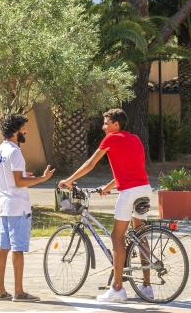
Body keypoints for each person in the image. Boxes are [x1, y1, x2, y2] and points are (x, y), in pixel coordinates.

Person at [58, 108, 154, 303]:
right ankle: (147, 287)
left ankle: (117, 289)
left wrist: (69, 180)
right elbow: (133, 169)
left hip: (129, 193)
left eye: (106, 123)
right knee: (140, 234)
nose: (103, 127)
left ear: (116, 125)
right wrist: (109, 186)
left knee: (116, 237)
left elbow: (90, 164)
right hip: (145, 188)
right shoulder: (135, 139)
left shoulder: (110, 139)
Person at [0, 114, 55, 303]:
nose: (26, 131)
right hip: (18, 206)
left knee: (3, 248)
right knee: (17, 250)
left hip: (4, 207)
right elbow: (19, 182)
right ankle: (19, 292)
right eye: (24, 128)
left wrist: (22, 175)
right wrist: (42, 179)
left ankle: (1, 290)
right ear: (16, 131)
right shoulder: (15, 152)